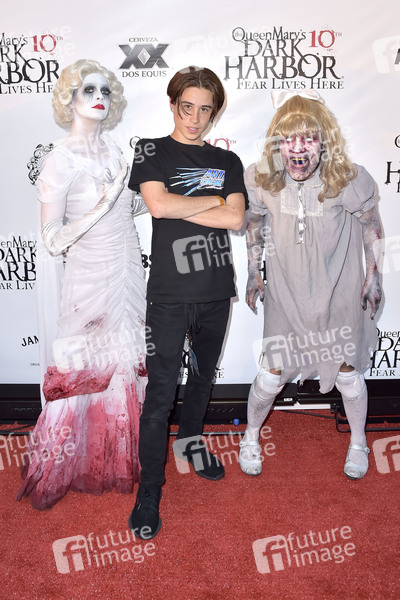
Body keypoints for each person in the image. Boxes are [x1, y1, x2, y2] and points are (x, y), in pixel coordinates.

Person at [17, 59, 148, 510]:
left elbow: (126, 209)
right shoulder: (59, 159)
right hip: (89, 276)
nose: (99, 97)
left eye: (105, 90)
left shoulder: (115, 149)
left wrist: (154, 194)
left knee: (122, 364)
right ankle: (60, 465)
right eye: (88, 89)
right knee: (79, 368)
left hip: (128, 271)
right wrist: (103, 203)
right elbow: (52, 239)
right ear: (69, 98)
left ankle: (111, 460)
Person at [127, 66, 247, 539]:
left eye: (204, 110)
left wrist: (189, 201)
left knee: (200, 381)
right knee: (159, 396)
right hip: (169, 296)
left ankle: (192, 445)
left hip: (216, 291)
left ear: (214, 113)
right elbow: (158, 206)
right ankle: (149, 491)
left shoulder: (227, 160)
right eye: (187, 107)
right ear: (173, 104)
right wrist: (213, 199)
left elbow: (236, 219)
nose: (194, 118)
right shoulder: (150, 150)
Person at [239, 90, 382, 481]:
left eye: (309, 137)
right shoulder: (261, 179)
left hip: (339, 292)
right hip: (286, 294)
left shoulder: (347, 179)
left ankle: (358, 442)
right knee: (271, 375)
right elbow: (254, 224)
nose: (298, 148)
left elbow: (371, 226)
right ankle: (250, 436)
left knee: (348, 375)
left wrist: (373, 277)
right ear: (276, 143)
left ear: (325, 141)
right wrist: (252, 272)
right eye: (289, 138)